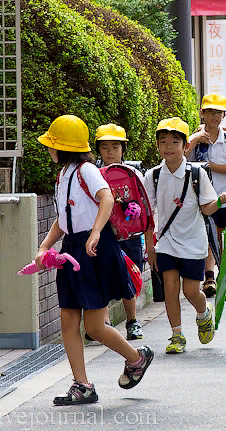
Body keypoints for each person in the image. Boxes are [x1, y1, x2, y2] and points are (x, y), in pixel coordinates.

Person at [35, 115, 153, 405]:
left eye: (52, 144)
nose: (48, 149)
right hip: (73, 248)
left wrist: (96, 232)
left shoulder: (87, 170)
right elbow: (64, 220)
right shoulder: (63, 175)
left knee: (94, 327)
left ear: (63, 147)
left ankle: (137, 358)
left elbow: (107, 199)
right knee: (67, 320)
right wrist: (44, 246)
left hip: (94, 249)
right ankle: (82, 385)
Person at [145, 117, 226, 354]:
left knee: (191, 291)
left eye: (174, 141)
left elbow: (206, 209)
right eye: (163, 142)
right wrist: (150, 247)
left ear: (186, 146)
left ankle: (204, 313)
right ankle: (176, 335)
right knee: (170, 288)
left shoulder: (196, 174)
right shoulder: (152, 176)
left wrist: (220, 202)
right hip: (166, 243)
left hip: (193, 241)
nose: (168, 146)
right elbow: (147, 215)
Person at [94, 123, 147, 341]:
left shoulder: (133, 173)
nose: (110, 152)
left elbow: (145, 201)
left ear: (123, 149)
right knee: (101, 276)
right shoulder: (93, 174)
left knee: (130, 278)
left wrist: (135, 210)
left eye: (115, 147)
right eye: (104, 147)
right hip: (103, 234)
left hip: (129, 235)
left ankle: (132, 321)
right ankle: (103, 323)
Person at [187, 94, 226, 298]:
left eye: (218, 112)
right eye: (210, 112)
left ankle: (221, 272)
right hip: (204, 199)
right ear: (202, 113)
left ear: (223, 115)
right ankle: (209, 276)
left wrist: (211, 167)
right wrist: (193, 140)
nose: (215, 116)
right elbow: (181, 161)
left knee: (224, 238)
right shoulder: (195, 140)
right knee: (209, 236)